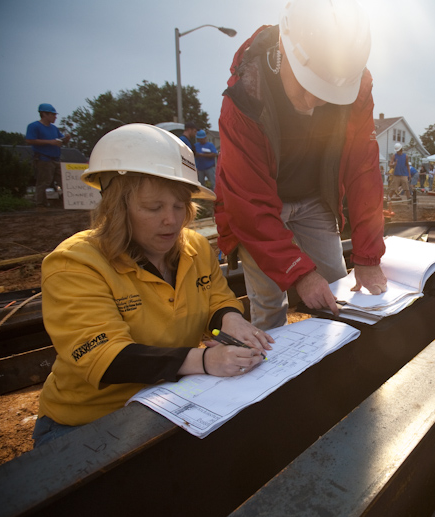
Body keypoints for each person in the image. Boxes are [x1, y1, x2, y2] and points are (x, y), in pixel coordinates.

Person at [32, 124, 273, 447]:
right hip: (88, 424)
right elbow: (106, 357)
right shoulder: (74, 264)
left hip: (168, 403)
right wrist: (202, 361)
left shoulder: (195, 248)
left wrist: (230, 319)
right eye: (153, 207)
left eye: (179, 206)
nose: (171, 221)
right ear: (116, 207)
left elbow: (216, 299)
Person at [214, 0, 387, 330]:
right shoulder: (245, 98)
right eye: (309, 85)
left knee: (339, 288)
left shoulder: (355, 85)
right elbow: (248, 203)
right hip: (262, 207)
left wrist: (367, 256)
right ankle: (278, 377)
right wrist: (299, 273)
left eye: (328, 91)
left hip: (313, 200)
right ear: (285, 50)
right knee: (267, 303)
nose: (314, 103)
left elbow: (363, 169)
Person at [25, 103, 71, 207]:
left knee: (64, 181)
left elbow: (60, 140)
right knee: (43, 182)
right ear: (44, 114)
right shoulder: (34, 126)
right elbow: (29, 140)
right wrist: (50, 142)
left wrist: (66, 139)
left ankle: (66, 202)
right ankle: (40, 204)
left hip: (56, 159)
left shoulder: (54, 128)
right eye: (53, 114)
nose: (55, 117)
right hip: (43, 159)